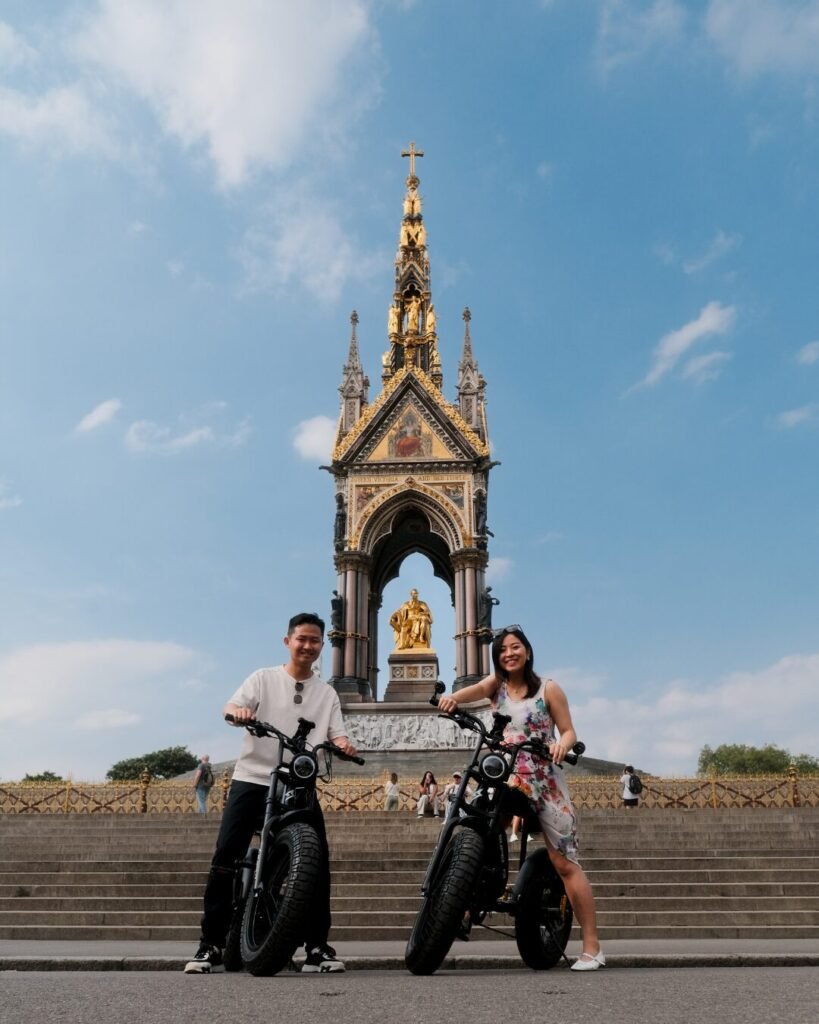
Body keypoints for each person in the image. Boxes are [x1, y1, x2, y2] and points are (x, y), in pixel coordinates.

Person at [184, 612, 357, 975]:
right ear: (287, 641)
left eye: (314, 640)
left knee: (316, 862)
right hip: (253, 778)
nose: (307, 646)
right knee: (225, 856)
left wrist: (344, 745)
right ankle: (210, 943)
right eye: (301, 639)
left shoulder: (327, 693)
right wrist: (238, 713)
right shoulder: (263, 679)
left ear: (322, 645)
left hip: (299, 783)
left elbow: (337, 734)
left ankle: (316, 947)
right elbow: (230, 707)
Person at [436, 625, 604, 972]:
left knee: (565, 863)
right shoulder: (495, 686)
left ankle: (592, 947)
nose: (509, 654)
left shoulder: (548, 688)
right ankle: (464, 903)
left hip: (542, 776)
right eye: (502, 650)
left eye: (515, 647)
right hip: (504, 772)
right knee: (476, 824)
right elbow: (472, 691)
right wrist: (452, 699)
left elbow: (568, 730)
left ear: (527, 652)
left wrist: (562, 745)